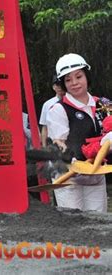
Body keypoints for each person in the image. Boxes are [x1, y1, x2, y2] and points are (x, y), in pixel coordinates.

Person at [46, 53, 107, 212]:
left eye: (78, 76)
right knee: (74, 222)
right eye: (68, 79)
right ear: (63, 84)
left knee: (98, 221)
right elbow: (58, 143)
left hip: (95, 174)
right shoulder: (59, 109)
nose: (74, 83)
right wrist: (74, 163)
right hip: (68, 175)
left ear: (87, 76)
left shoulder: (103, 105)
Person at [39, 75, 65, 147]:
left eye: (62, 84)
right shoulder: (47, 104)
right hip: (53, 143)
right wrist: (44, 147)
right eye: (57, 85)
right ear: (53, 87)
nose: (60, 87)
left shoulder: (73, 102)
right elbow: (44, 127)